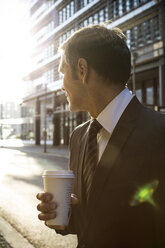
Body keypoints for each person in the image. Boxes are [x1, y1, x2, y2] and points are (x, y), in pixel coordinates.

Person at [36, 24, 165, 248]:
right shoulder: (78, 136)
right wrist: (63, 217)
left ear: (83, 70)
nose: (61, 86)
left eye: (62, 72)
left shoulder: (159, 133)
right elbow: (91, 219)